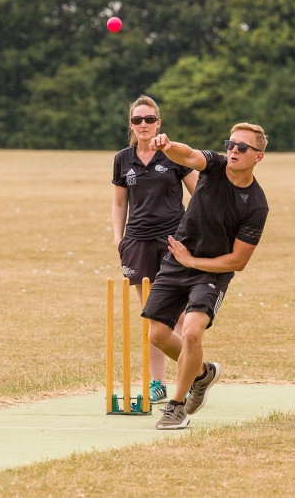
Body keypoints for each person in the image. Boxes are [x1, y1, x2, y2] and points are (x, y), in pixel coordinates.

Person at [141, 122, 269, 429]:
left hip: (213, 270)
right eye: (230, 144)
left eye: (242, 147)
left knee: (192, 331)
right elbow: (188, 155)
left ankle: (176, 407)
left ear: (258, 156)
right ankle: (201, 374)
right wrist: (168, 146)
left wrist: (194, 261)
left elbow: (238, 261)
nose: (233, 151)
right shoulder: (215, 165)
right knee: (157, 335)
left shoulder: (256, 204)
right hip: (178, 261)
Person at [112, 95, 198, 403]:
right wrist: (118, 238)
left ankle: (190, 380)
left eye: (150, 119)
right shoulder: (123, 159)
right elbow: (120, 201)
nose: (144, 125)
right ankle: (157, 384)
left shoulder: (172, 154)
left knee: (179, 317)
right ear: (131, 125)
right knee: (152, 317)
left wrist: (194, 235)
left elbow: (198, 193)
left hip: (173, 241)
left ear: (158, 123)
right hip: (137, 241)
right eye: (138, 120)